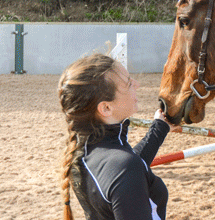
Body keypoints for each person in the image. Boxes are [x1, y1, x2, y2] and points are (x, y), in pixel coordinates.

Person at [58, 53, 177, 220]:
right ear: (106, 108)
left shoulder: (84, 153)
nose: (137, 84)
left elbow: (123, 174)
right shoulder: (124, 167)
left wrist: (159, 128)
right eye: (128, 83)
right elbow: (126, 172)